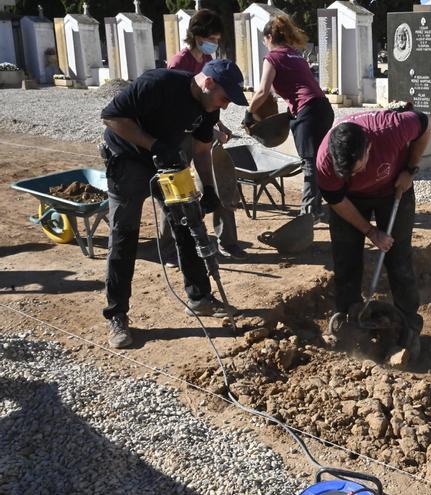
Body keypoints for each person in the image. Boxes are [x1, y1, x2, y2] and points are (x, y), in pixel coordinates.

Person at [100, 59, 249, 349]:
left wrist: (207, 188)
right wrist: (154, 144)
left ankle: (199, 298)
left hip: (168, 161)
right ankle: (117, 314)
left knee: (188, 225)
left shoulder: (209, 106)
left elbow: (202, 150)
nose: (226, 106)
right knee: (124, 235)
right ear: (208, 83)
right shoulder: (157, 84)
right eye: (224, 97)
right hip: (127, 159)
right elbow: (112, 118)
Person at [316, 109, 431, 361]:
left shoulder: (390, 129)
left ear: (369, 147)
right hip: (350, 201)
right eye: (349, 173)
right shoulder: (324, 162)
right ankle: (348, 319)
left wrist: (410, 170)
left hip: (393, 190)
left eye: (359, 168)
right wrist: (370, 231)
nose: (357, 175)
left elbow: (425, 124)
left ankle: (408, 324)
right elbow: (337, 200)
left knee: (398, 258)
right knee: (346, 259)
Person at [160, 8, 246, 263]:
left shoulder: (207, 63)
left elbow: (209, 101)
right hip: (178, 136)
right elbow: (174, 106)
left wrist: (218, 126)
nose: (215, 43)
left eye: (218, 40)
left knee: (218, 183)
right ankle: (170, 247)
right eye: (213, 38)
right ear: (198, 35)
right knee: (176, 189)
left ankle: (227, 241)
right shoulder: (179, 63)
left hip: (201, 130)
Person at [243, 14, 334, 222]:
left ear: (268, 37)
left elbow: (262, 91)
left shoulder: (273, 57)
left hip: (309, 111)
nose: (264, 44)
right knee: (319, 160)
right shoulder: (295, 54)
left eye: (264, 40)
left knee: (310, 162)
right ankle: (323, 205)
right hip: (323, 108)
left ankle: (310, 212)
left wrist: (248, 113)